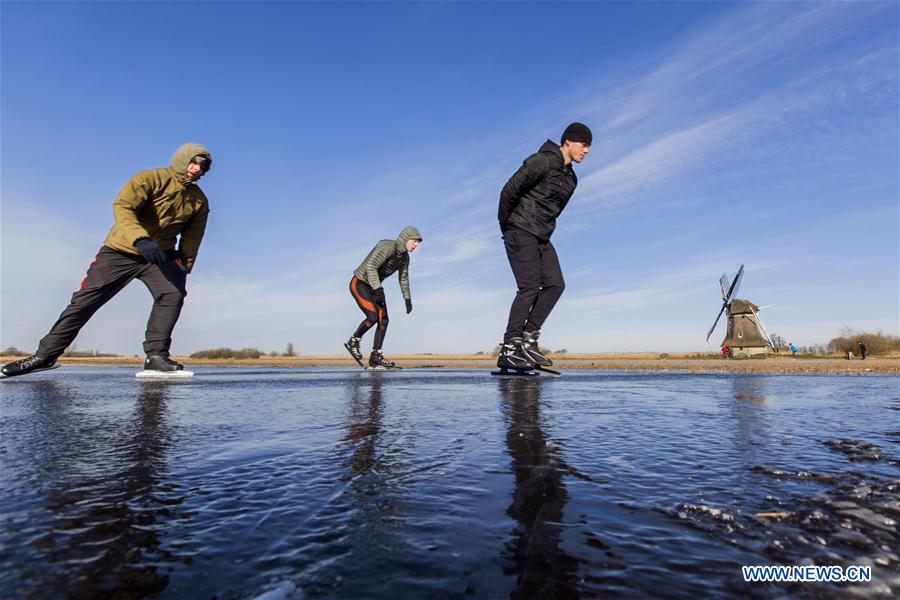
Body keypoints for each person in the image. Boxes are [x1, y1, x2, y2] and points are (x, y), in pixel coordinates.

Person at [1, 143, 212, 378]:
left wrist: (185, 263)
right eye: (193, 163)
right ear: (182, 161)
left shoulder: (199, 200)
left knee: (173, 294)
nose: (196, 169)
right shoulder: (150, 178)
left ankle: (156, 356)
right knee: (85, 301)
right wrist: (140, 239)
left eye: (202, 167)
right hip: (121, 250)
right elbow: (123, 208)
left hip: (158, 256)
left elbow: (194, 235)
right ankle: (44, 356)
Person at [496, 122, 591, 371]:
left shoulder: (572, 179)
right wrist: (507, 227)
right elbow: (509, 192)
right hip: (519, 230)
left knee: (555, 284)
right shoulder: (543, 161)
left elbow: (553, 212)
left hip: (542, 236)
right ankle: (509, 348)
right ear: (568, 142)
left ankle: (528, 341)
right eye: (584, 144)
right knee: (528, 286)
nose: (587, 150)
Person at [345, 226, 422, 369]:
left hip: (375, 287)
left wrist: (407, 299)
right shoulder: (386, 246)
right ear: (406, 238)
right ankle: (354, 341)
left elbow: (403, 278)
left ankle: (376, 356)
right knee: (373, 317)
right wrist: (378, 289)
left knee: (384, 319)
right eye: (415, 241)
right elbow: (371, 267)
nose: (416, 245)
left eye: (418, 242)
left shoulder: (405, 258)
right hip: (360, 282)